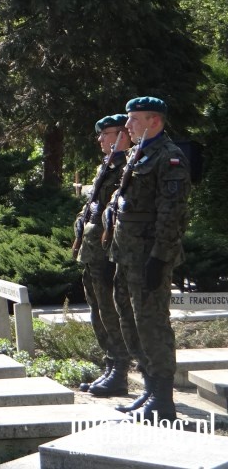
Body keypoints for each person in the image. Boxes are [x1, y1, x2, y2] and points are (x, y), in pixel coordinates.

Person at [109, 96, 191, 422]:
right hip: (126, 254)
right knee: (130, 322)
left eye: (133, 120)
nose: (127, 126)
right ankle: (149, 389)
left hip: (147, 257)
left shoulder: (169, 159)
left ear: (154, 121)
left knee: (152, 325)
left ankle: (163, 399)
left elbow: (172, 215)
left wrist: (159, 259)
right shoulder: (137, 153)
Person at [74, 115, 132, 396]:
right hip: (93, 251)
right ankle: (110, 364)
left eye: (106, 134)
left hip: (109, 253)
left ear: (123, 135)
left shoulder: (127, 168)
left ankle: (120, 370)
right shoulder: (106, 167)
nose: (100, 140)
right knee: (97, 307)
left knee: (112, 309)